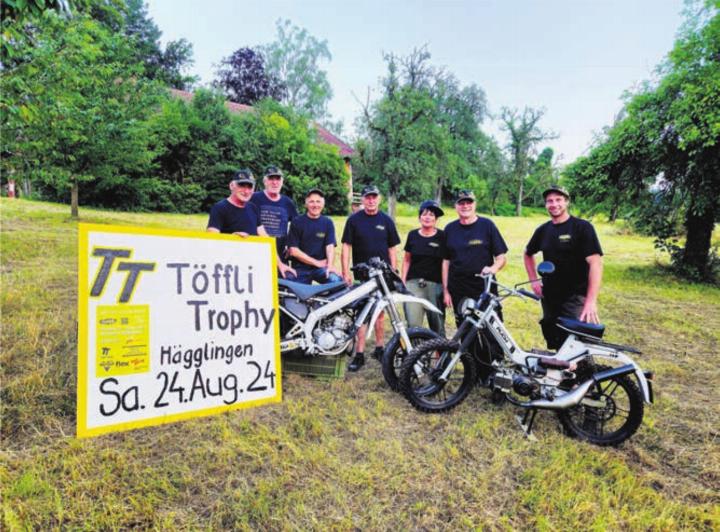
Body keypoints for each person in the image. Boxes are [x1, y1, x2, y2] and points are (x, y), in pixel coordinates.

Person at [523, 185, 603, 350]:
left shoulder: (582, 227)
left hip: (575, 298)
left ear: (566, 202)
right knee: (556, 341)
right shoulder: (543, 230)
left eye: (558, 200)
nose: (554, 204)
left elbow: (595, 263)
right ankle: (561, 374)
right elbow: (527, 253)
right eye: (549, 201)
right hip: (550, 297)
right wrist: (534, 281)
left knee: (577, 346)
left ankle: (583, 374)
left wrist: (591, 301)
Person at [341, 185, 401, 371]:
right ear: (363, 200)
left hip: (382, 276)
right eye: (368, 197)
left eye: (374, 197)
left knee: (380, 314)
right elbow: (345, 247)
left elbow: (392, 248)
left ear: (379, 199)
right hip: (362, 275)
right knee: (362, 314)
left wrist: (394, 269)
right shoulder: (354, 220)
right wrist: (345, 271)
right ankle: (359, 354)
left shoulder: (386, 221)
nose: (371, 200)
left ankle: (379, 348)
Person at [207, 169, 295, 278]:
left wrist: (280, 264)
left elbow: (266, 240)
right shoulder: (220, 208)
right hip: (230, 267)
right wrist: (231, 239)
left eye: (249, 187)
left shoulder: (252, 208)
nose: (246, 191)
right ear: (231, 186)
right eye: (241, 185)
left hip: (252, 266)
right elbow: (210, 240)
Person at [442, 190, 508, 317]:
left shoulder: (487, 225)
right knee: (465, 330)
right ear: (455, 206)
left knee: (491, 329)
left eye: (469, 202)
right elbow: (445, 261)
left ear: (475, 205)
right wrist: (446, 291)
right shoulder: (449, 229)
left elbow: (501, 258)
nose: (465, 206)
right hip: (459, 289)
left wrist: (492, 268)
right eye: (461, 203)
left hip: (485, 288)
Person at [401, 200, 446, 336]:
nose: (427, 217)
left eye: (432, 215)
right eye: (424, 214)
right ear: (419, 217)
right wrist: (403, 282)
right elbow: (407, 259)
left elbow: (446, 263)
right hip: (413, 285)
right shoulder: (412, 235)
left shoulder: (442, 236)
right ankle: (415, 355)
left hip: (435, 286)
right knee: (413, 326)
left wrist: (445, 288)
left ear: (436, 219)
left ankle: (442, 356)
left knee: (437, 326)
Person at [286, 188, 343, 284]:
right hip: (301, 269)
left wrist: (329, 266)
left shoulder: (327, 222)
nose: (315, 205)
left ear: (323, 204)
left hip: (321, 269)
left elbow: (330, 246)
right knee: (294, 293)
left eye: (318, 201)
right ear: (306, 204)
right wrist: (317, 263)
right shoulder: (297, 222)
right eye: (312, 201)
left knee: (336, 281)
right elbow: (293, 251)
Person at [250, 165, 299, 259]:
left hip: (280, 255)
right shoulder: (253, 198)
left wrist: (291, 244)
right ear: (264, 181)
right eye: (271, 179)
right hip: (255, 253)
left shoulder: (288, 202)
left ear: (282, 182)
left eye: (278, 179)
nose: (275, 182)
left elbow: (297, 226)